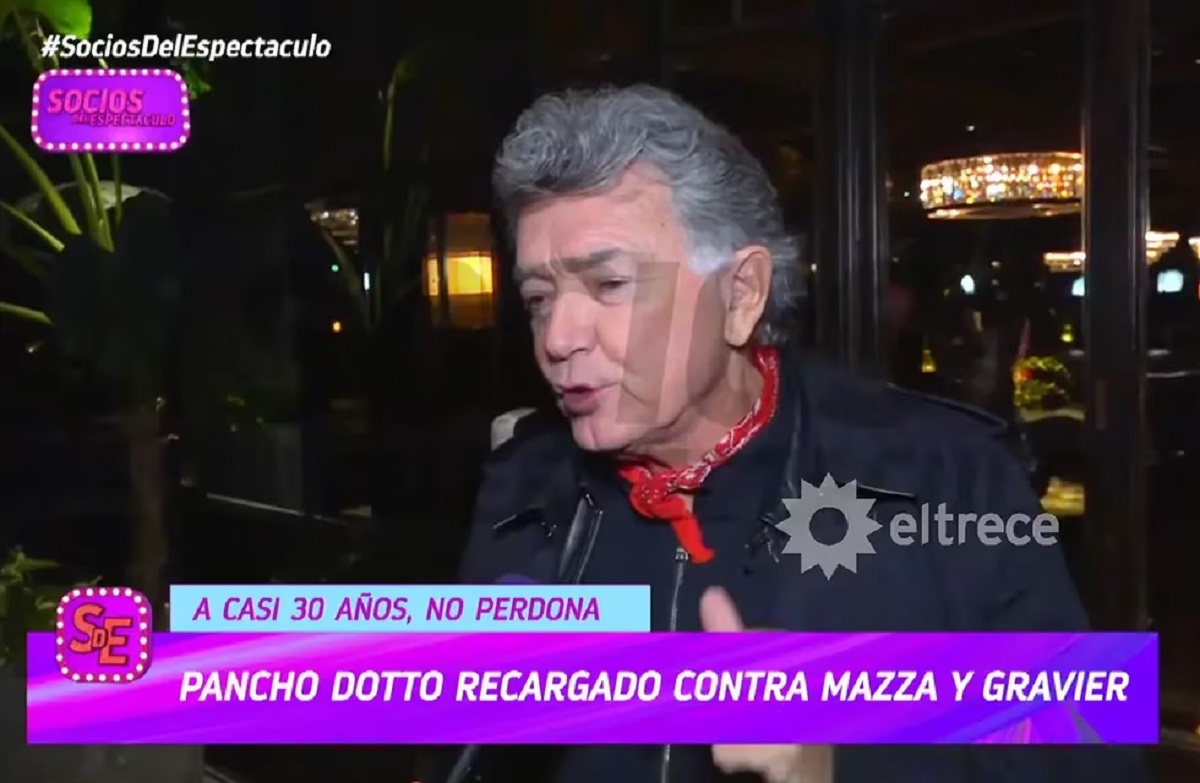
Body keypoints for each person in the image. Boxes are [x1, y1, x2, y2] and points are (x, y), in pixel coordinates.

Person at [448, 85, 1146, 783]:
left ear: (741, 293)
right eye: (539, 298)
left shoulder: (947, 478)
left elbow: (1089, 745)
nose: (559, 337)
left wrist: (841, 765)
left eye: (609, 285)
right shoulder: (525, 488)